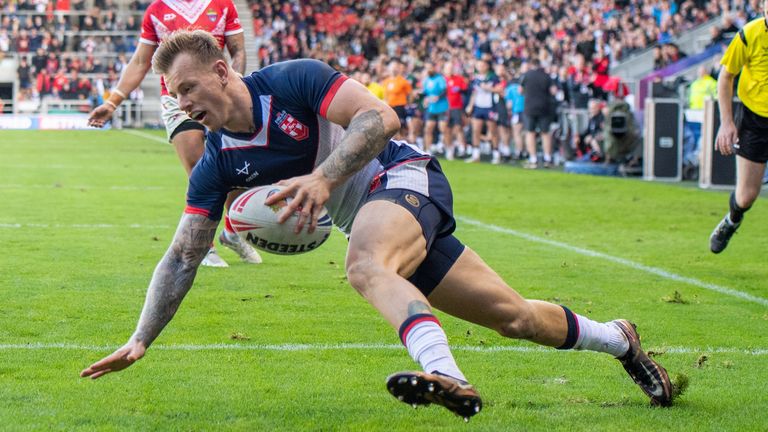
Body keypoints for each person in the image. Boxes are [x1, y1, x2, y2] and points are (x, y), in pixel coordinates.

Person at [80, 31, 675, 418]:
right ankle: (619, 340)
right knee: (514, 318)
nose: (183, 104)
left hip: (403, 176)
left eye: (188, 88)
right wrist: (141, 338)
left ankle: (446, 376)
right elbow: (184, 255)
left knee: (363, 265)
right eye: (174, 96)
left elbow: (380, 117)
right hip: (374, 215)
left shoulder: (292, 80)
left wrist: (324, 179)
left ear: (221, 71)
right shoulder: (215, 163)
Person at [86, 0, 261, 268]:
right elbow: (141, 61)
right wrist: (113, 102)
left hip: (218, 95)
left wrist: (233, 83)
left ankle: (232, 232)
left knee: (233, 172)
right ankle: (204, 246)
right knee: (198, 166)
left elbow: (237, 50)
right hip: (177, 100)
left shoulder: (222, 4)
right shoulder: (156, 10)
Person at [710, 1, 768, 254]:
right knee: (746, 196)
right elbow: (725, 76)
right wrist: (726, 123)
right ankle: (732, 220)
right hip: (755, 119)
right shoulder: (749, 34)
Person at [520, 58, 556, 169]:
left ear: (531, 65)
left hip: (530, 107)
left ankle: (533, 159)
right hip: (544, 107)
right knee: (545, 133)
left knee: (530, 133)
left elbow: (520, 91)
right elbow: (553, 91)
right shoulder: (546, 76)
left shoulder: (526, 75)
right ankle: (547, 158)